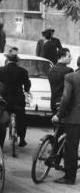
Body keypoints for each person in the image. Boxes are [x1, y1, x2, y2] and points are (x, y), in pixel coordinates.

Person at [52, 57, 80, 185]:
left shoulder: (71, 77)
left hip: (74, 119)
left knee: (71, 148)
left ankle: (69, 177)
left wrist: (59, 115)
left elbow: (66, 98)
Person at [0, 48, 31, 147]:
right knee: (22, 118)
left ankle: (0, 144)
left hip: (3, 100)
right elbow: (27, 84)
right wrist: (27, 90)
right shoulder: (23, 71)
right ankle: (22, 139)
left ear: (7, 60)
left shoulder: (0, 70)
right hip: (18, 99)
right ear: (17, 61)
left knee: (1, 121)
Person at [48, 48, 74, 115]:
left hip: (53, 102)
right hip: (64, 103)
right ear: (62, 57)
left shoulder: (50, 70)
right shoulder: (69, 70)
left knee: (56, 123)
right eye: (69, 56)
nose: (71, 58)